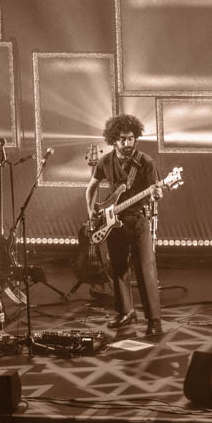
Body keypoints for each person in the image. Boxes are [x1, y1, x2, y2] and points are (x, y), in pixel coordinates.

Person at [85, 114, 165, 336]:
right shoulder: (105, 161)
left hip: (138, 220)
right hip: (113, 222)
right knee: (118, 267)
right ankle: (126, 312)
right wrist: (91, 211)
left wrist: (157, 194)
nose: (128, 143)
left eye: (131, 138)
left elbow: (155, 192)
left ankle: (154, 319)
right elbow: (91, 188)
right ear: (113, 139)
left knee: (145, 269)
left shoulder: (146, 162)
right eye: (122, 139)